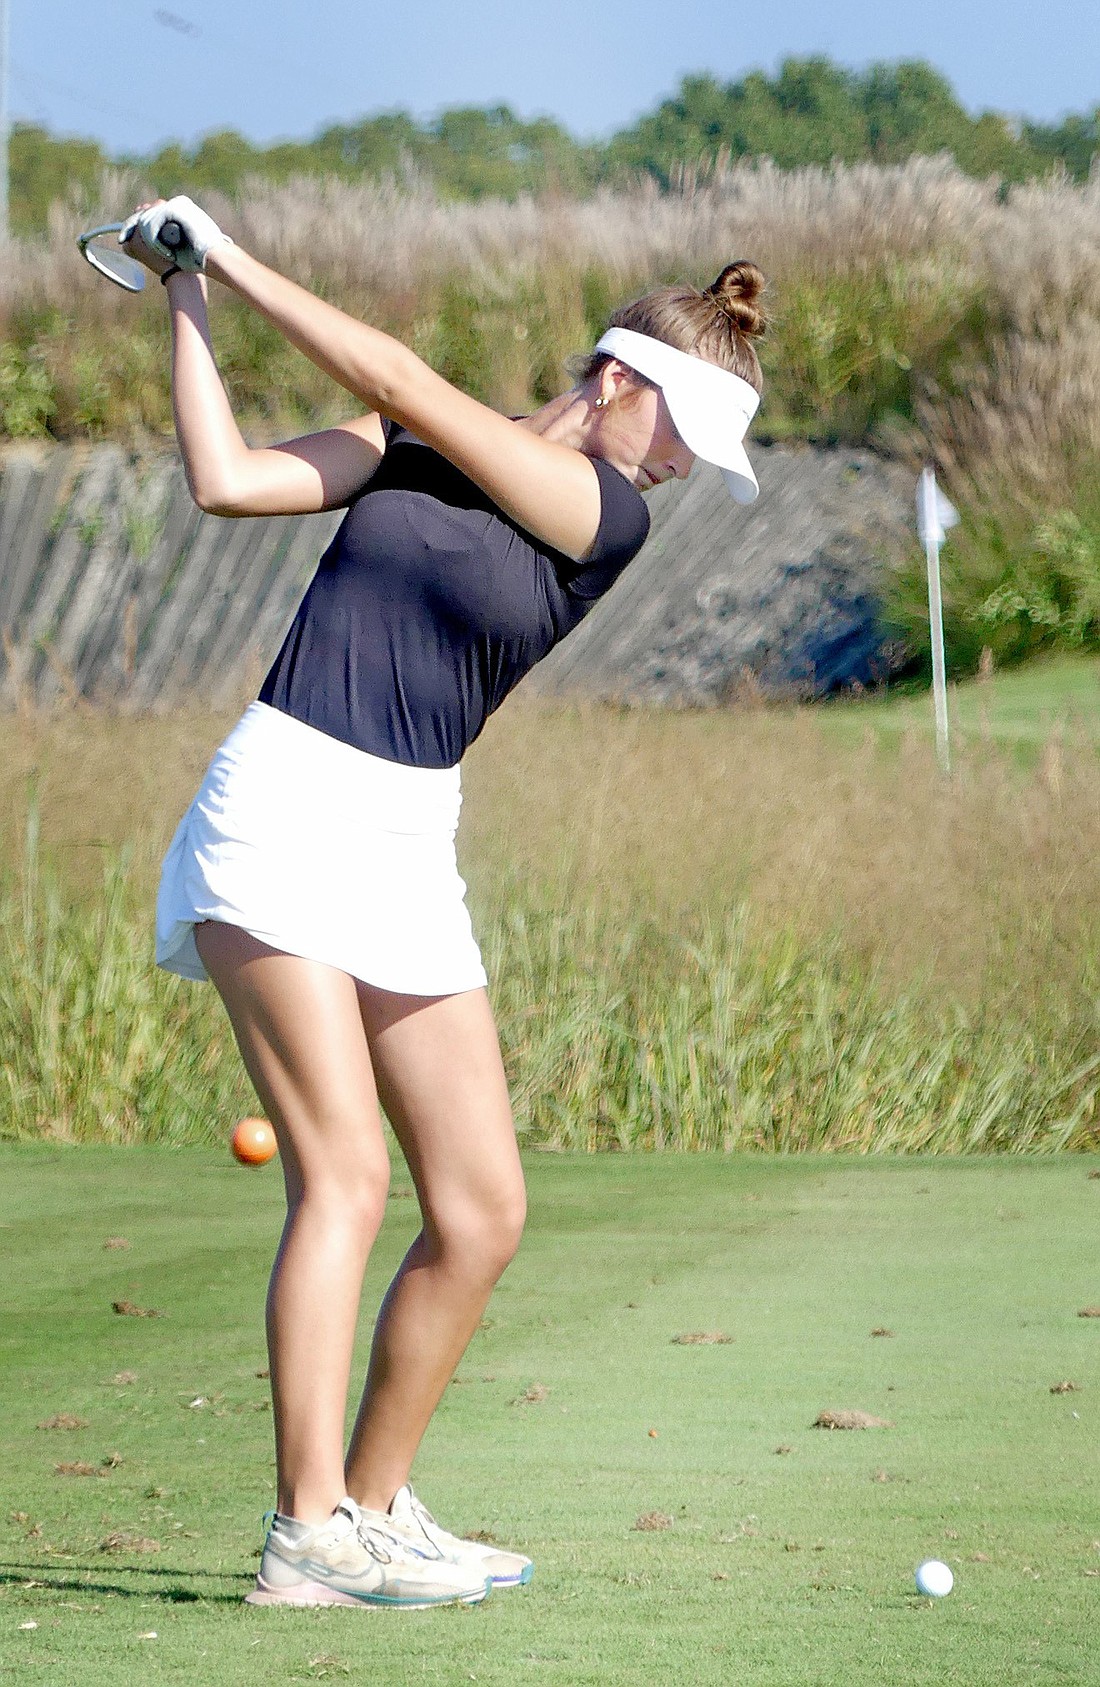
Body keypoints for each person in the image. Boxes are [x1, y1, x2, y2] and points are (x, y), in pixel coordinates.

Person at [121, 194, 767, 1611]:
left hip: (409, 837)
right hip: (285, 804)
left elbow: (409, 381)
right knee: (346, 1176)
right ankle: (308, 1538)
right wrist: (189, 292)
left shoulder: (605, 517)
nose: (678, 469)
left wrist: (229, 245)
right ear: (616, 380)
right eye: (678, 432)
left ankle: (375, 1502)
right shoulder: (415, 455)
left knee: (478, 1208)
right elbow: (228, 479)